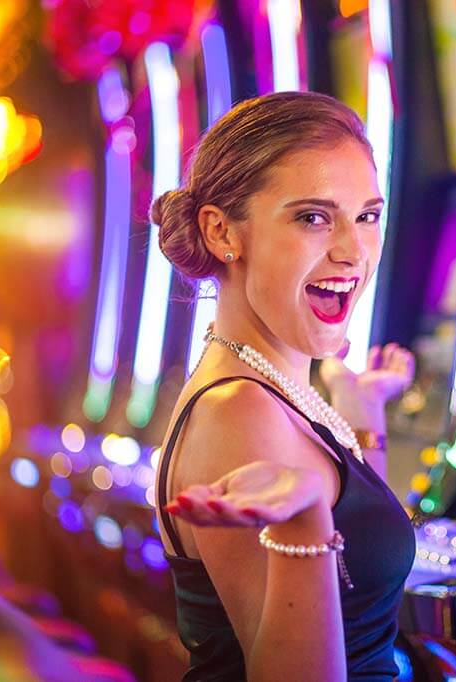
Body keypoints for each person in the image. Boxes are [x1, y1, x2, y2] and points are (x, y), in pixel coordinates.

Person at [151, 91, 417, 682]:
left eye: (368, 216)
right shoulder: (238, 411)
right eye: (313, 217)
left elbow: (351, 579)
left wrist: (362, 416)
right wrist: (303, 525)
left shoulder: (271, 386)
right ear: (223, 232)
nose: (352, 251)